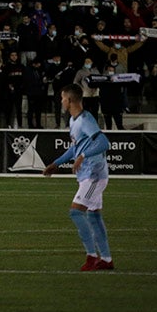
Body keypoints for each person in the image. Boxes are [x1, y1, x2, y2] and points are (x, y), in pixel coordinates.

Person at [42, 83, 114, 271]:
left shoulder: (86, 119)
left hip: (94, 175)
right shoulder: (74, 121)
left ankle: (91, 256)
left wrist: (83, 156)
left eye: (63, 98)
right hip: (87, 175)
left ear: (70, 100)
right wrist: (56, 163)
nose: (61, 101)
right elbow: (76, 148)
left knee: (76, 212)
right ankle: (106, 259)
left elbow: (103, 142)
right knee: (94, 216)